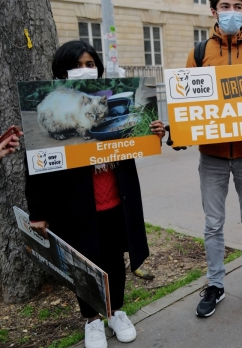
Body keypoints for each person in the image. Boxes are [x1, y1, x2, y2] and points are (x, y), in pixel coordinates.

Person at [27, 40, 166, 348]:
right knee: (85, 263)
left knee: (115, 258)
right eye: (78, 65)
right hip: (76, 206)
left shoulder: (105, 108)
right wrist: (37, 212)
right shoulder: (61, 108)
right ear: (62, 72)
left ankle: (116, 311)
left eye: (91, 65)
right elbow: (36, 165)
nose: (85, 70)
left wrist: (154, 132)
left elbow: (135, 141)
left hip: (116, 198)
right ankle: (91, 320)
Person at [184, 0, 242, 318]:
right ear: (214, 11)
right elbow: (186, 104)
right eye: (225, 7)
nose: (232, 13)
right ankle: (216, 284)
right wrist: (178, 132)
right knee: (213, 225)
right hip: (213, 157)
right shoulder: (199, 53)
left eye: (238, 7)